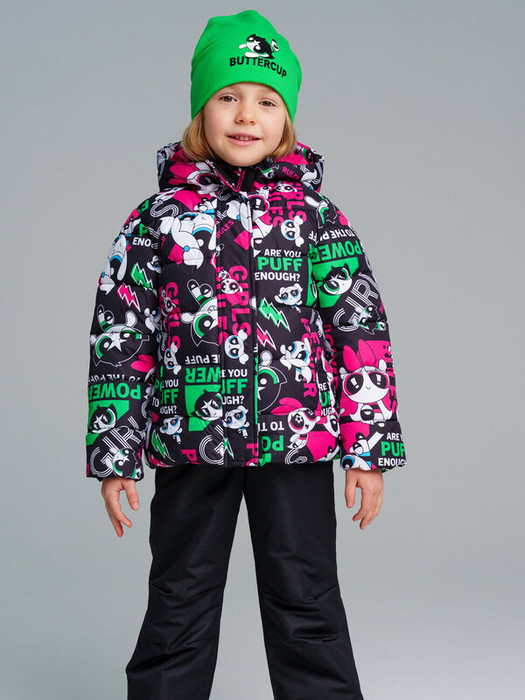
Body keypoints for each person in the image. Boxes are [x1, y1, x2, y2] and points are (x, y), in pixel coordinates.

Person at [85, 9, 407, 700]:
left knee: (306, 600)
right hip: (190, 440)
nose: (245, 116)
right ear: (200, 110)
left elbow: (360, 333)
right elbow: (122, 336)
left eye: (266, 101)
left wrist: (369, 449)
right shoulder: (155, 222)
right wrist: (115, 455)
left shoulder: (317, 220)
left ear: (285, 119)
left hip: (295, 445)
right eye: (227, 96)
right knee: (178, 601)